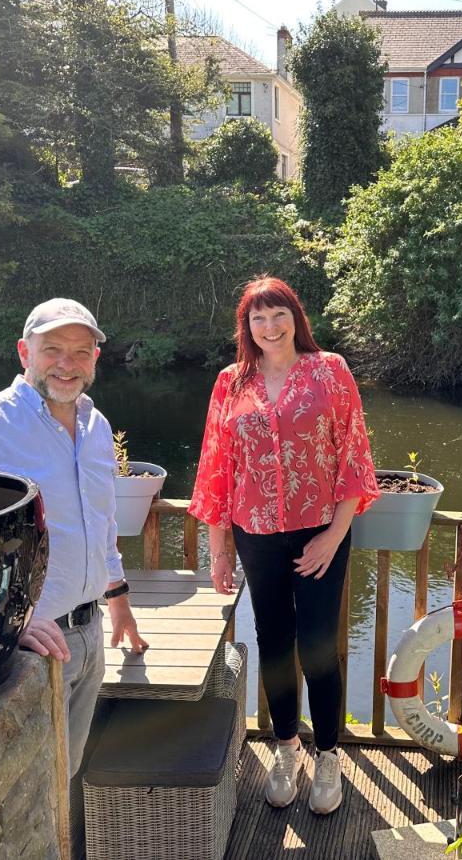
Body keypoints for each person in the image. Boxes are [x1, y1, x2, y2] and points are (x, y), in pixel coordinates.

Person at [0, 297, 147, 850]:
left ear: (96, 358)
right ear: (25, 352)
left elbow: (99, 527)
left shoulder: (96, 427)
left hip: (89, 632)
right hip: (26, 648)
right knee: (20, 792)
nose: (67, 363)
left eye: (81, 351)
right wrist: (9, 622)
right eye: (53, 349)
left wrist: (117, 596)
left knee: (66, 774)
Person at [190, 276, 378, 815]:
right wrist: (219, 549)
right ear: (246, 327)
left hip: (322, 531)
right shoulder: (231, 382)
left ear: (296, 317)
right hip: (256, 535)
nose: (269, 327)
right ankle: (286, 749)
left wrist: (332, 537)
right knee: (274, 642)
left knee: (318, 645)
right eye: (258, 318)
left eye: (278, 315)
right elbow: (216, 469)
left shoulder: (330, 371)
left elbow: (355, 460)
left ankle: (328, 756)